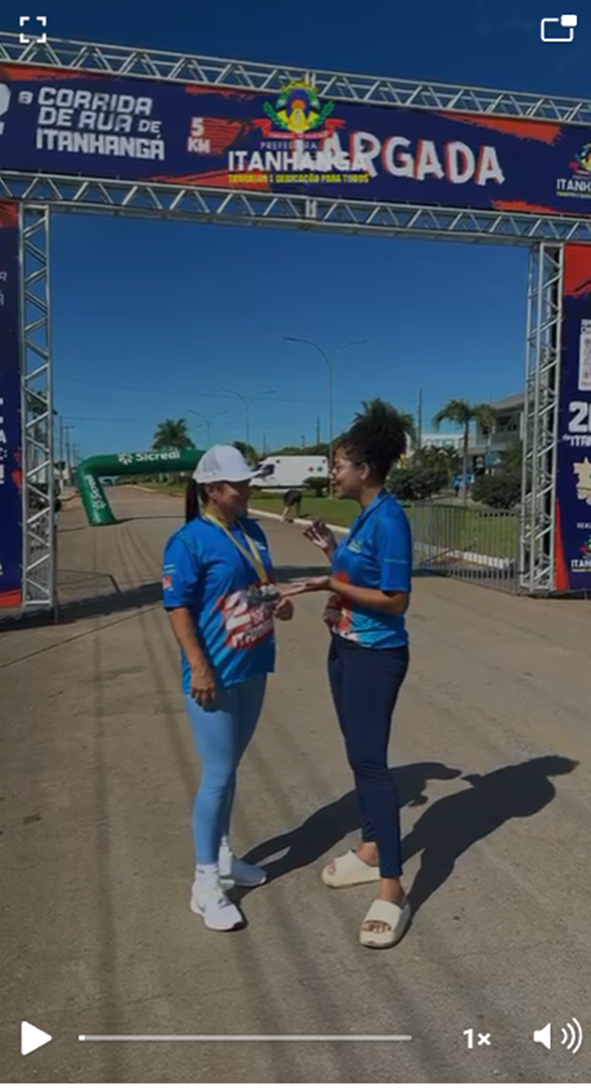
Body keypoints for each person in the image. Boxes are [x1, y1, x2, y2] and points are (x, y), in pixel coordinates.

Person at [284, 404, 412, 949]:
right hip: (344, 647)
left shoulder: (390, 520)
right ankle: (372, 848)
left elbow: (396, 600)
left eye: (338, 465)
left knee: (371, 763)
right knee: (356, 754)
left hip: (376, 656)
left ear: (364, 469)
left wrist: (329, 586)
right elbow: (360, 575)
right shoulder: (363, 516)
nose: (331, 473)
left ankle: (392, 888)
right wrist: (332, 554)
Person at [162, 444, 294, 932]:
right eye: (239, 484)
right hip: (213, 673)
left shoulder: (252, 531)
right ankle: (204, 884)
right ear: (213, 490)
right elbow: (177, 607)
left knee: (230, 768)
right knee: (217, 775)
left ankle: (222, 856)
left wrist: (276, 603)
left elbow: (259, 585)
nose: (247, 489)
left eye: (247, 482)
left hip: (252, 664)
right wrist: (198, 665)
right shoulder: (188, 542)